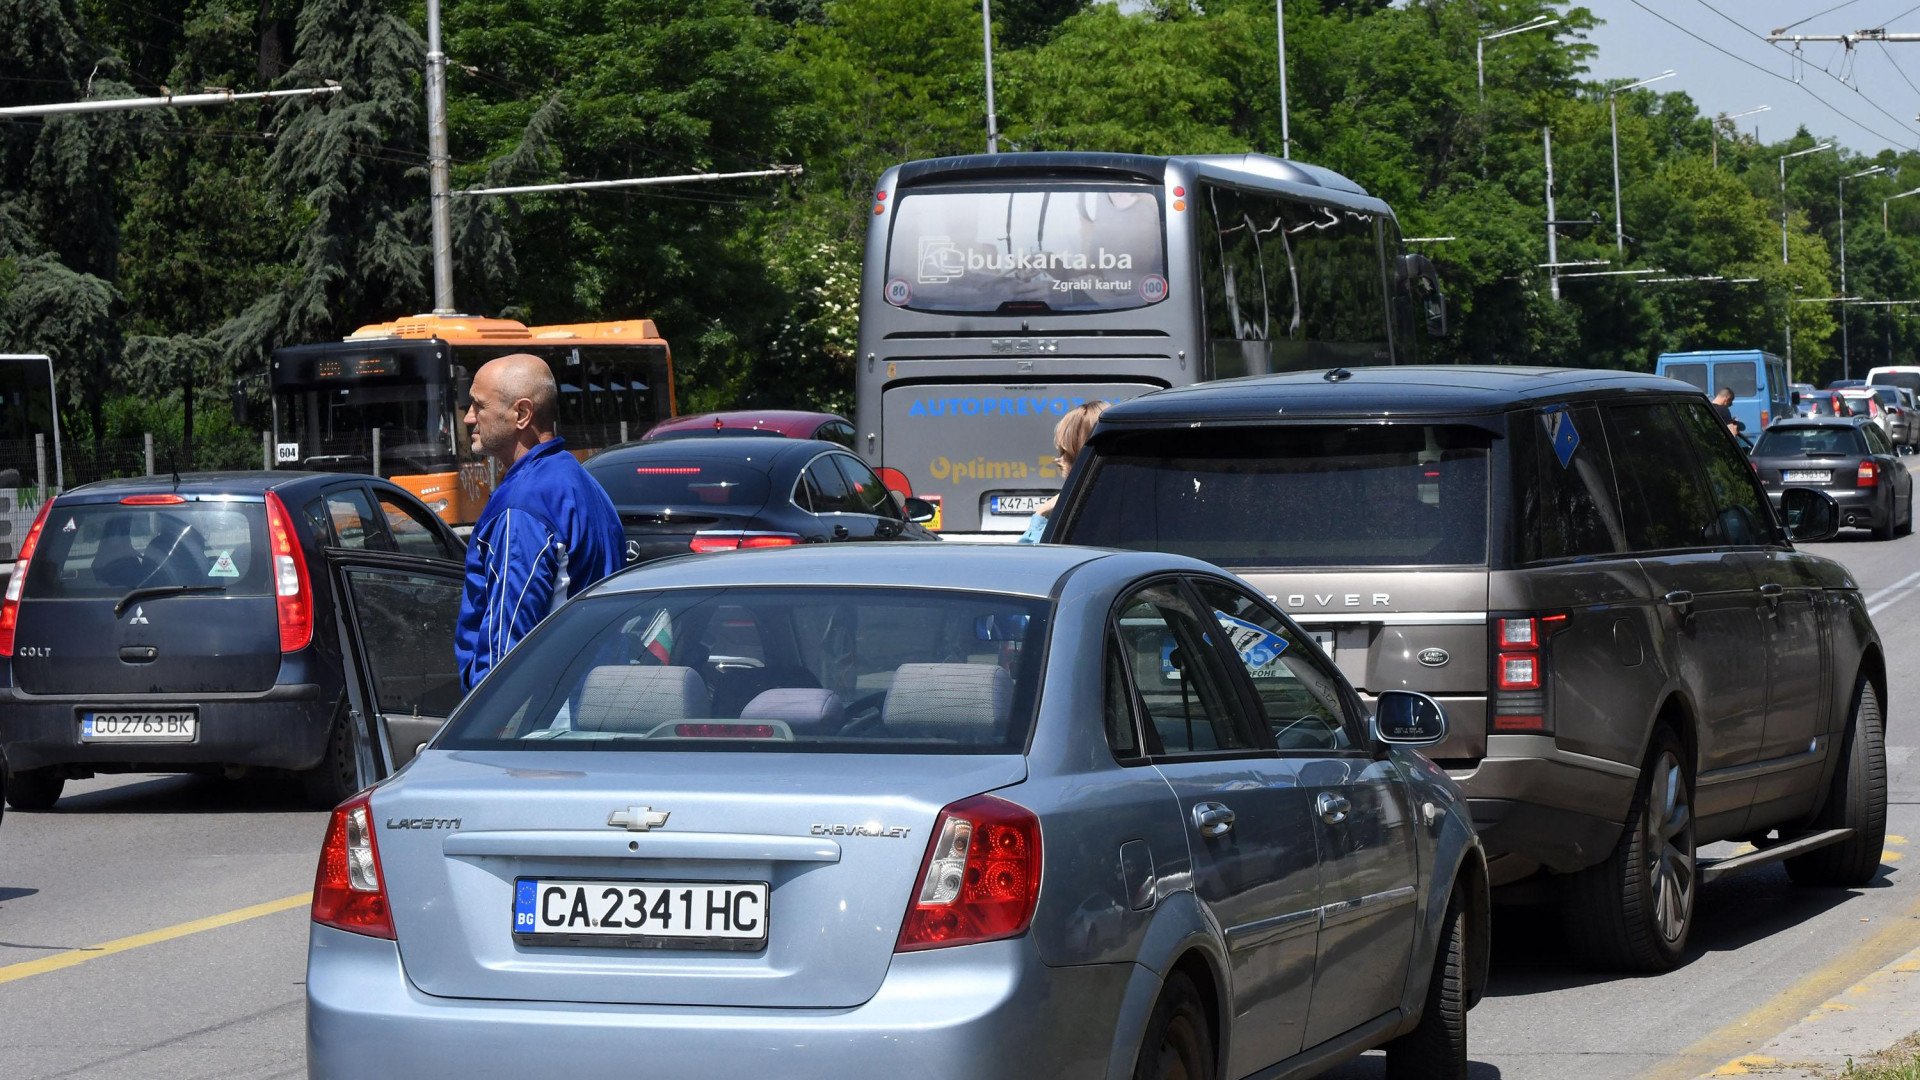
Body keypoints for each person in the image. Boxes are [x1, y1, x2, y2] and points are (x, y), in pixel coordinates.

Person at [455, 353, 625, 692]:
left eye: (478, 405)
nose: (469, 418)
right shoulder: (579, 480)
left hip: (540, 713)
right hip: (589, 693)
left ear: (521, 414)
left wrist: (487, 724)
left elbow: (506, 645)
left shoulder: (523, 505)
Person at [1018, 400, 1109, 544]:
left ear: (1082, 454)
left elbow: (1029, 560)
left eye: (1066, 452)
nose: (1058, 460)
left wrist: (1041, 514)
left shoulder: (1077, 515)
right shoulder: (1121, 500)